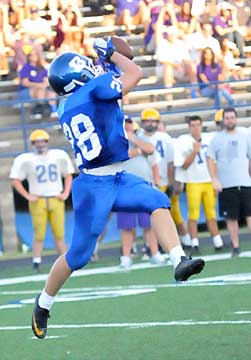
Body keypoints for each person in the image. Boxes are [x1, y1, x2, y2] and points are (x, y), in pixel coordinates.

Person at [31, 38, 205, 339]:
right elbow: (134, 73)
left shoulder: (68, 103)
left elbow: (105, 86)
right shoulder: (93, 90)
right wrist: (111, 54)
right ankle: (43, 304)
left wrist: (107, 62)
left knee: (157, 200)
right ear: (77, 74)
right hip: (93, 185)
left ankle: (179, 260)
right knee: (78, 255)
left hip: (115, 176)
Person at [9, 129, 75, 272]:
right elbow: (15, 180)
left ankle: (64, 261)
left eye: (41, 141)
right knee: (39, 233)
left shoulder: (58, 155)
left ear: (46, 142)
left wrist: (65, 193)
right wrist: (27, 196)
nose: (39, 144)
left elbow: (68, 174)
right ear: (32, 144)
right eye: (36, 142)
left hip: (56, 198)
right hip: (37, 200)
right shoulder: (26, 159)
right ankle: (36, 262)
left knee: (59, 233)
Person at [117, 115, 165, 268]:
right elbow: (119, 156)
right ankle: (125, 257)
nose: (127, 126)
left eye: (129, 124)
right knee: (127, 225)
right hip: (125, 188)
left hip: (144, 186)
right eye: (125, 124)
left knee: (148, 224)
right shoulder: (115, 139)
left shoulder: (141, 138)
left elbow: (151, 150)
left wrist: (134, 138)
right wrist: (139, 150)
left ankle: (155, 252)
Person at [140, 108, 192, 248]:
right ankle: (152, 245)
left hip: (163, 180)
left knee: (173, 212)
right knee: (150, 216)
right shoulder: (139, 136)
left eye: (153, 121)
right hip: (145, 181)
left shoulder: (164, 138)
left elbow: (171, 162)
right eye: (148, 121)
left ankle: (185, 239)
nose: (150, 124)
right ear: (142, 122)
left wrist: (171, 181)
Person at [174, 115, 224, 252]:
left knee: (211, 213)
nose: (196, 128)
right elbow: (183, 166)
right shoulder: (183, 141)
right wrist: (194, 152)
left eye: (198, 125)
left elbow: (216, 159)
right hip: (193, 182)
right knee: (193, 214)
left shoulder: (209, 138)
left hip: (208, 181)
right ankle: (194, 242)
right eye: (193, 125)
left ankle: (217, 241)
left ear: (202, 125)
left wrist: (216, 179)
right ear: (189, 127)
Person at [207, 107, 251, 257]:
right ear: (223, 120)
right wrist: (214, 179)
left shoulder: (245, 135)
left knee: (250, 214)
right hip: (226, 183)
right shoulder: (217, 139)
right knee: (231, 217)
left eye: (232, 117)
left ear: (236, 119)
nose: (230, 120)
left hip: (245, 182)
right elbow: (210, 159)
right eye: (227, 118)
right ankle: (236, 246)